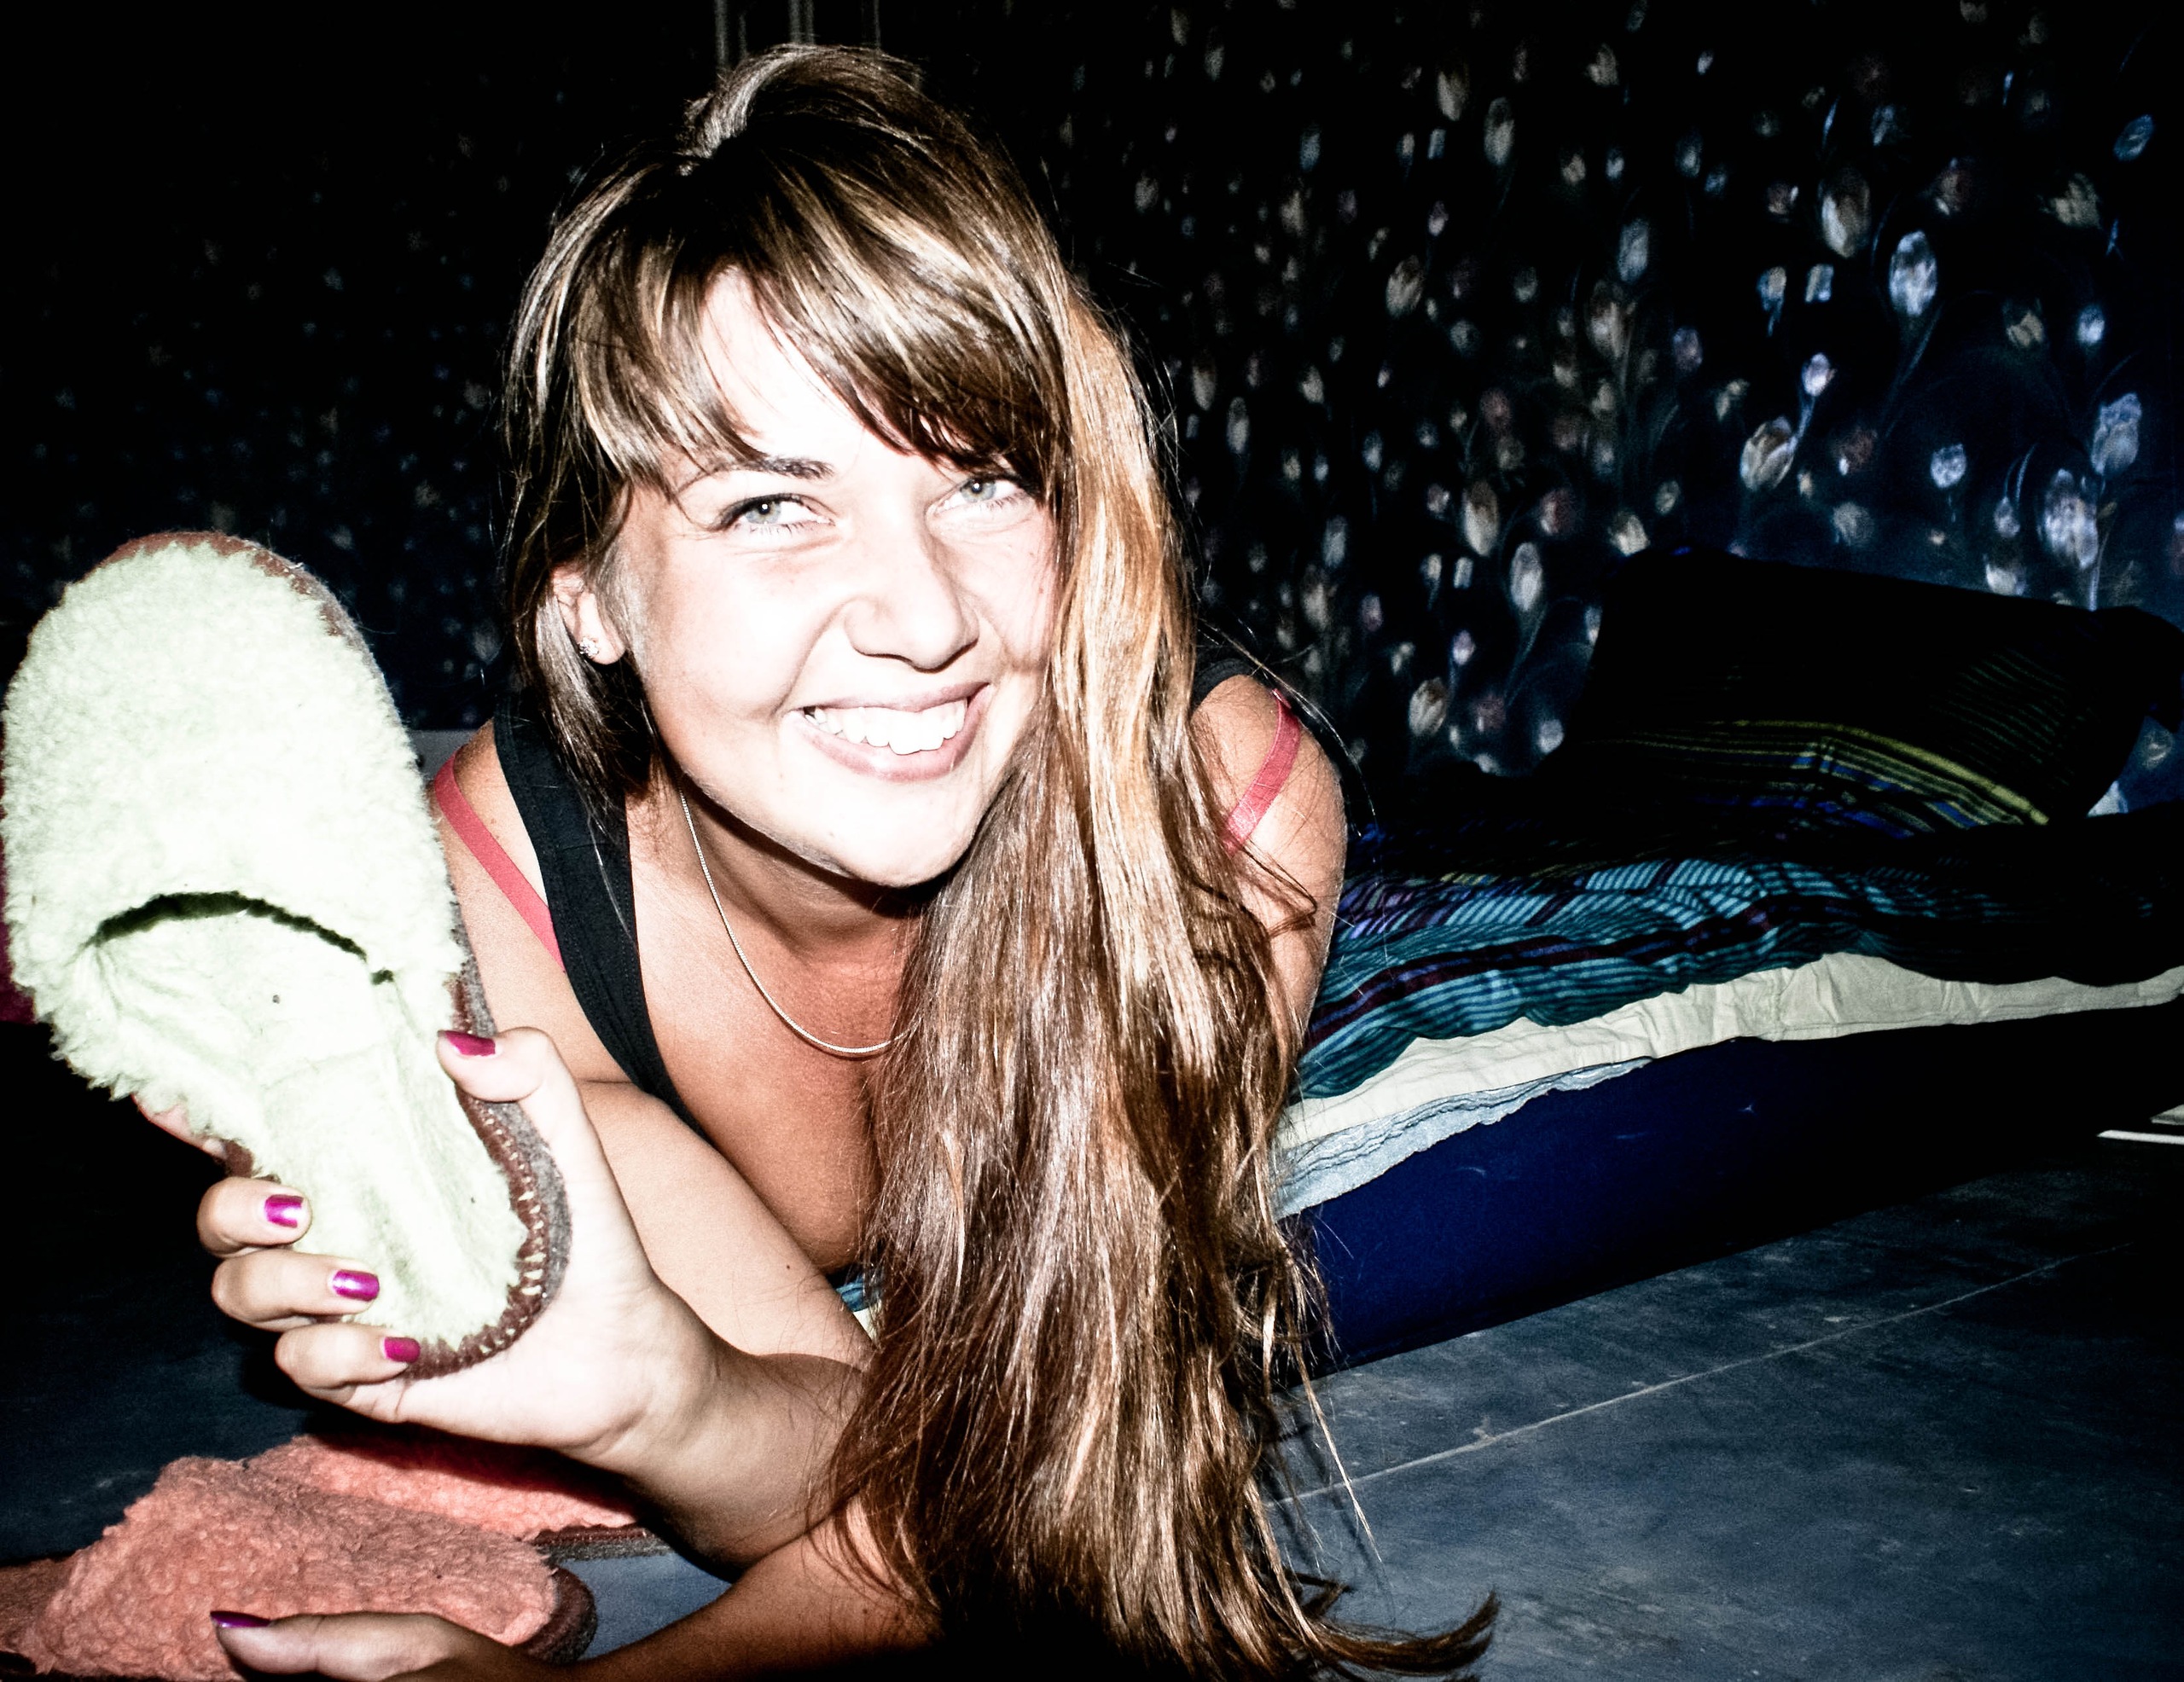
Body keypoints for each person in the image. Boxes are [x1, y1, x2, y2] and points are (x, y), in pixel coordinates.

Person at [152, 46, 1490, 1679]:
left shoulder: (1219, 820)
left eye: (985, 483)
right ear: (588, 593)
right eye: (773, 507)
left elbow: (1055, 1466)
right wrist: (659, 1394)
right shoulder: (509, 905)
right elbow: (885, 1478)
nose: (924, 618)